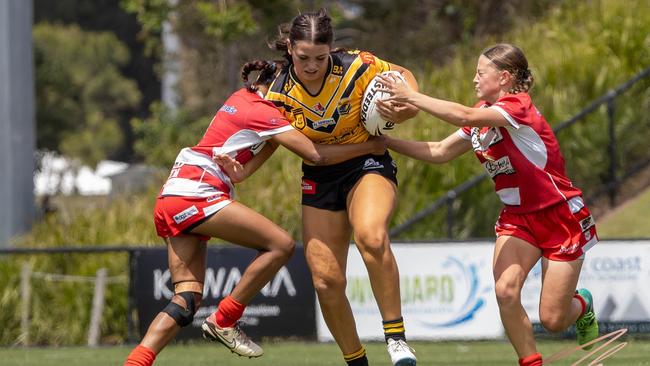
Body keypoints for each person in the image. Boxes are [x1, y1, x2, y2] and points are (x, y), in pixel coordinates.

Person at [123, 60, 386, 366]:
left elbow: (243, 170)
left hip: (174, 191)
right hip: (198, 189)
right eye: (293, 86)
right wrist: (371, 146)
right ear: (277, 84)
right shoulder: (264, 111)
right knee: (282, 245)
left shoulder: (242, 98)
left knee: (186, 301)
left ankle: (135, 363)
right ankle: (225, 318)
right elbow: (315, 155)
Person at [376, 43, 599, 366]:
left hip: (559, 215)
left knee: (553, 319)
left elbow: (463, 114)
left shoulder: (516, 107)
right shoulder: (481, 115)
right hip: (518, 218)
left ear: (504, 77)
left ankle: (582, 306)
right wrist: (385, 143)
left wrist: (410, 96)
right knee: (506, 291)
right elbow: (439, 151)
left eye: (481, 73)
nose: (474, 79)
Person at [265, 9, 419, 366]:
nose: (313, 66)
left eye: (320, 57)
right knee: (325, 280)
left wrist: (401, 109)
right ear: (290, 48)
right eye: (303, 58)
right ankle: (357, 361)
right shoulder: (276, 92)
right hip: (321, 173)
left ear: (331, 49)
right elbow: (307, 154)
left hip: (368, 168)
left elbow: (407, 80)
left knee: (371, 235)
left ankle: (396, 339)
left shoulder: (357, 65)